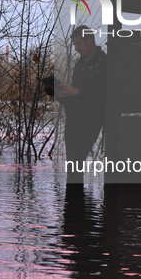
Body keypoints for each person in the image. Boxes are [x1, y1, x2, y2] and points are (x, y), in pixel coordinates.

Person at [53, 25, 107, 183]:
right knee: (72, 167)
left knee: (76, 163)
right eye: (74, 45)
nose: (76, 48)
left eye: (78, 44)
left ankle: (77, 204)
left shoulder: (103, 63)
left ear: (89, 40)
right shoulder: (80, 64)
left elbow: (105, 96)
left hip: (90, 122)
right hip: (73, 120)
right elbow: (75, 94)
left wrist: (77, 92)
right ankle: (74, 205)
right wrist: (58, 92)